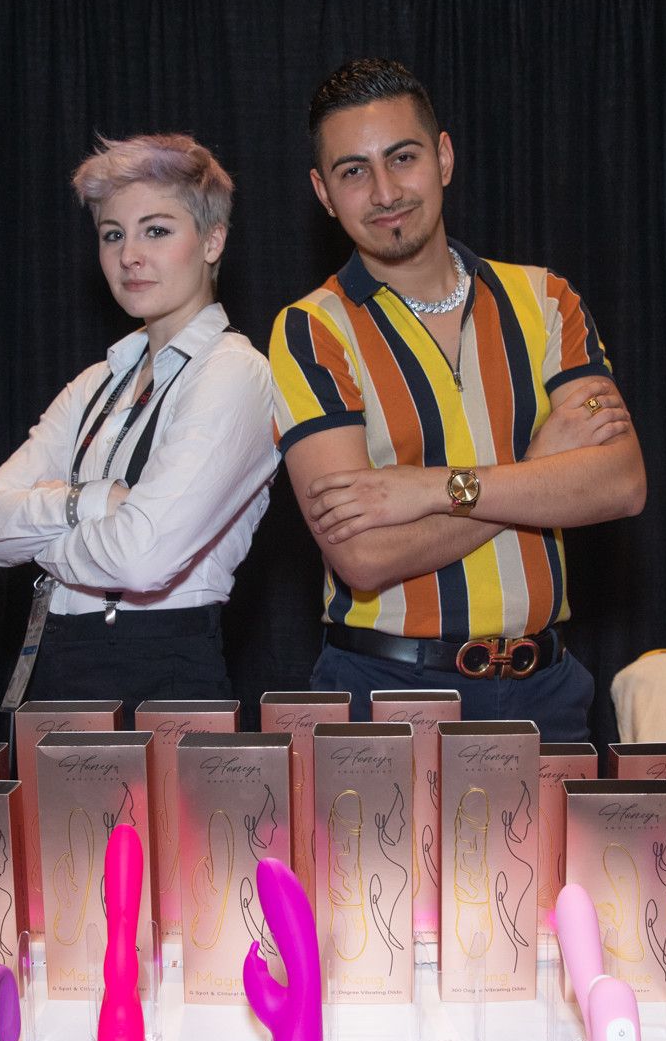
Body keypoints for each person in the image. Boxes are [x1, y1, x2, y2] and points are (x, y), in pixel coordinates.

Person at [266, 59, 644, 742]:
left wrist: (429, 488)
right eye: (353, 171)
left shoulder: (545, 299)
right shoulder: (310, 330)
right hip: (386, 691)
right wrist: (538, 471)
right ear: (323, 192)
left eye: (402, 158)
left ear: (442, 157)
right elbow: (364, 557)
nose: (384, 191)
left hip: (547, 692)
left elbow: (620, 484)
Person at [0, 134, 276, 714]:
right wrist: (92, 501)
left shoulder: (234, 371)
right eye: (113, 234)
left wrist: (38, 541)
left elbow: (142, 558)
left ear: (212, 241)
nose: (129, 254)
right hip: (56, 661)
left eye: (156, 230)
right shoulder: (95, 382)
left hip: (163, 667)